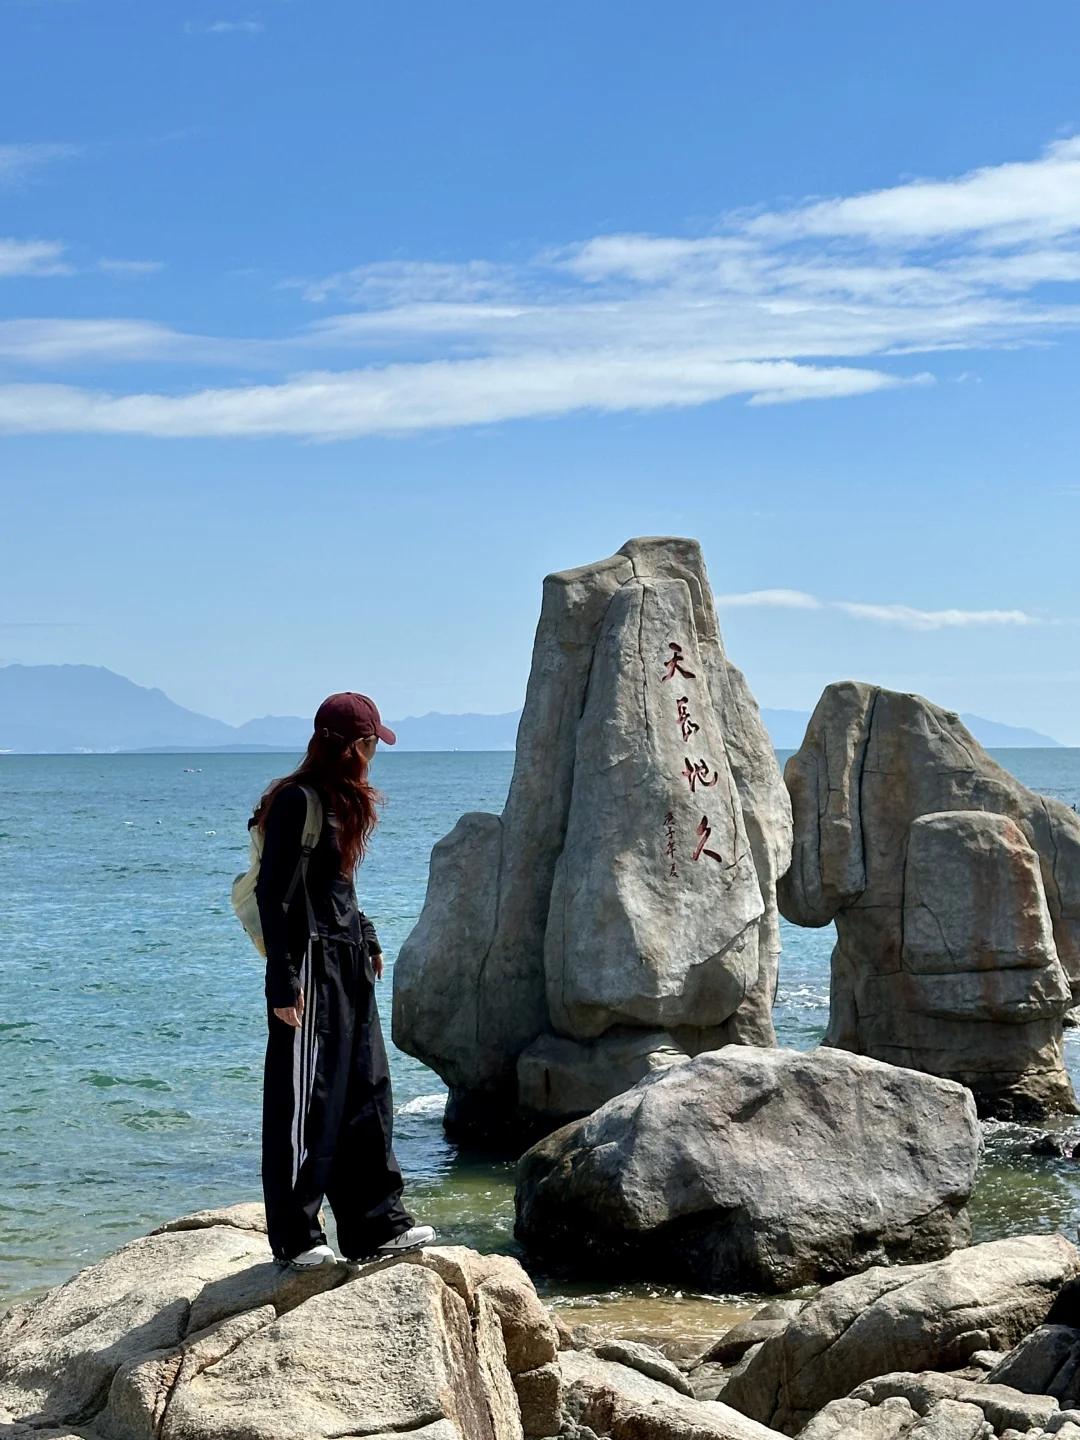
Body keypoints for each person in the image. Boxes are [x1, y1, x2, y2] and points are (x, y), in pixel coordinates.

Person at [252, 691, 434, 1268]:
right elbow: (271, 896)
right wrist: (281, 982)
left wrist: (369, 937)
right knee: (308, 1101)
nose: (375, 754)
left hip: (348, 961)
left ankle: (377, 1228)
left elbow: (337, 887)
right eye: (371, 743)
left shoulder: (341, 801)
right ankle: (297, 1237)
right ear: (351, 746)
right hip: (308, 966)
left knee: (367, 1091)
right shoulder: (296, 802)